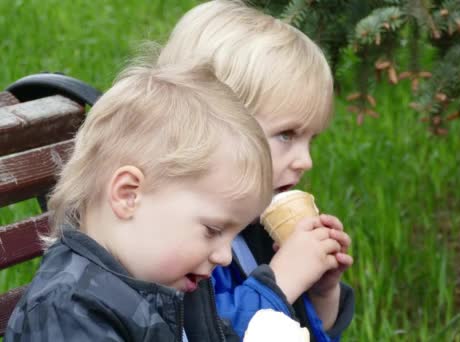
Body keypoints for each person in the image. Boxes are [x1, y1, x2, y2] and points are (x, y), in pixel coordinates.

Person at [5, 63, 277, 341]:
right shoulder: (67, 310)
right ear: (128, 195)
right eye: (213, 230)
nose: (225, 256)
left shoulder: (170, 283)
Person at [156, 1, 355, 341]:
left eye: (311, 139)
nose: (304, 160)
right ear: (209, 128)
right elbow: (195, 332)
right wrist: (281, 282)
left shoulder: (255, 231)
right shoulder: (174, 245)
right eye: (286, 135)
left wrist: (320, 291)